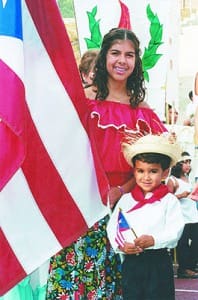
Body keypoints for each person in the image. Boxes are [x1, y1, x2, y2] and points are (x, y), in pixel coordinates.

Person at [46, 28, 168, 299]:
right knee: (75, 280)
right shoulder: (81, 100)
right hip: (80, 207)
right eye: (115, 53)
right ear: (104, 57)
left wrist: (122, 191)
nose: (122, 60)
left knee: (115, 284)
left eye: (129, 55)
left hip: (125, 210)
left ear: (137, 62)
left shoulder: (142, 109)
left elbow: (160, 162)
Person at [107, 133, 184, 300]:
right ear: (134, 171)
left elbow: (175, 231)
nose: (146, 177)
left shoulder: (168, 201)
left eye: (153, 171)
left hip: (158, 262)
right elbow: (113, 227)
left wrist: (154, 239)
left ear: (164, 173)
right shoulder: (126, 200)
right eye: (140, 171)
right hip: (132, 262)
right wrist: (122, 245)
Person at [166, 151, 198, 279]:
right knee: (183, 244)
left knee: (196, 241)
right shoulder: (172, 180)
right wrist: (180, 195)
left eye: (189, 162)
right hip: (181, 217)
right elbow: (166, 199)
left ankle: (191, 265)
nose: (188, 165)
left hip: (193, 215)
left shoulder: (188, 179)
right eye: (184, 162)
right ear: (178, 164)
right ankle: (184, 269)